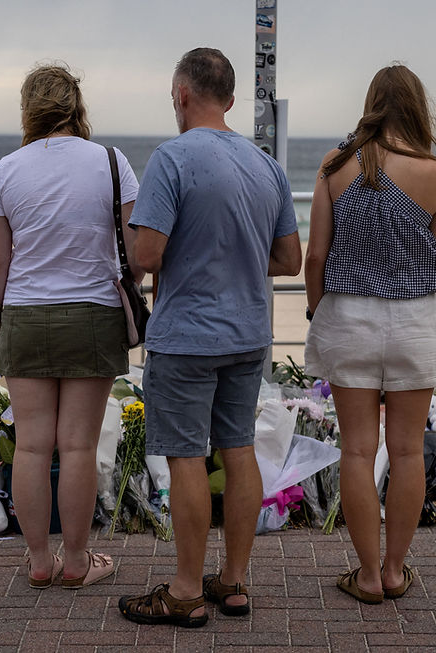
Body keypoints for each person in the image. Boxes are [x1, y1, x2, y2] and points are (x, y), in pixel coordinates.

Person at [118, 47, 301, 628]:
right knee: (239, 449)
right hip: (248, 332)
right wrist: (232, 255)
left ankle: (185, 590)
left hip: (187, 335)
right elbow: (289, 260)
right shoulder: (267, 167)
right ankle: (235, 581)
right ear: (231, 99)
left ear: (182, 95)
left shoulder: (171, 158)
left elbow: (147, 256)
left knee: (186, 459)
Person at [0, 63, 140, 590]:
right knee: (77, 447)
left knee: (30, 446)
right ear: (76, 106)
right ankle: (76, 561)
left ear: (28, 109)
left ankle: (38, 561)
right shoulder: (112, 163)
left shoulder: (5, 171)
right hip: (94, 315)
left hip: (25, 316)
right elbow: (136, 253)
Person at [303, 64, 436, 605]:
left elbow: (315, 256)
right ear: (417, 108)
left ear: (372, 103)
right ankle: (394, 570)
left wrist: (317, 312)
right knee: (408, 451)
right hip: (413, 321)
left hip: (349, 317)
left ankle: (366, 575)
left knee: (357, 451)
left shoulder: (336, 164)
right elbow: (429, 249)